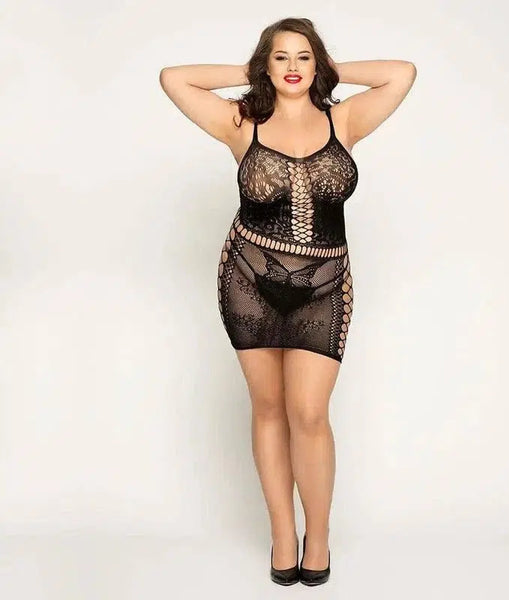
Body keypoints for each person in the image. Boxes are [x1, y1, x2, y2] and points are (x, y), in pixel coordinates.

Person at [159, 16, 416, 586]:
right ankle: (282, 534)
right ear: (265, 64)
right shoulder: (240, 122)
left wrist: (326, 70)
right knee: (269, 408)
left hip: (325, 287)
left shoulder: (344, 119)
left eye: (303, 57)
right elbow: (174, 78)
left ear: (317, 62)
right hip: (248, 279)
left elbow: (402, 73)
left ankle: (317, 537)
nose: (293, 68)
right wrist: (256, 72)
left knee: (309, 413)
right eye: (280, 58)